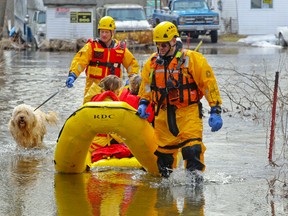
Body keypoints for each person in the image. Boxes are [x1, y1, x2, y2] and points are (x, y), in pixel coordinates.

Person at [137, 21, 223, 178]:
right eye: (158, 45)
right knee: (164, 160)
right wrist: (143, 102)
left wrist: (215, 109)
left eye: (164, 45)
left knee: (192, 150)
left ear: (173, 41)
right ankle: (166, 197)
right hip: (163, 116)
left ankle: (195, 191)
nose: (161, 49)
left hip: (187, 113)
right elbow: (147, 86)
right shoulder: (152, 63)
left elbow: (208, 84)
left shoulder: (192, 59)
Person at [65, 16, 140, 104]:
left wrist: (132, 77)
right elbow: (80, 61)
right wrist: (73, 74)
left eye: (106, 32)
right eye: (102, 32)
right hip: (94, 90)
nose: (104, 35)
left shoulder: (121, 49)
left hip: (113, 89)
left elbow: (131, 64)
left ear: (112, 32)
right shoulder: (92, 46)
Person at [86, 75, 132, 163]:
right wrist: (126, 142)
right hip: (101, 142)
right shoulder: (110, 104)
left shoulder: (96, 99)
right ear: (113, 88)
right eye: (118, 88)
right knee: (129, 148)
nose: (119, 91)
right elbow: (114, 130)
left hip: (92, 140)